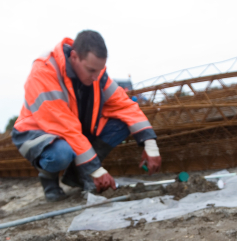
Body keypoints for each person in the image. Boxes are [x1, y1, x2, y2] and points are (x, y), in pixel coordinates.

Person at [12, 30, 161, 201]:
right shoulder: (44, 72)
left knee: (121, 123)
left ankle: (77, 176)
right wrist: (96, 170)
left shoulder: (97, 75)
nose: (96, 77)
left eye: (99, 70)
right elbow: (64, 127)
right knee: (60, 154)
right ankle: (48, 179)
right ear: (74, 57)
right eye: (91, 70)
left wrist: (150, 144)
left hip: (72, 131)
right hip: (38, 134)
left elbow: (125, 106)